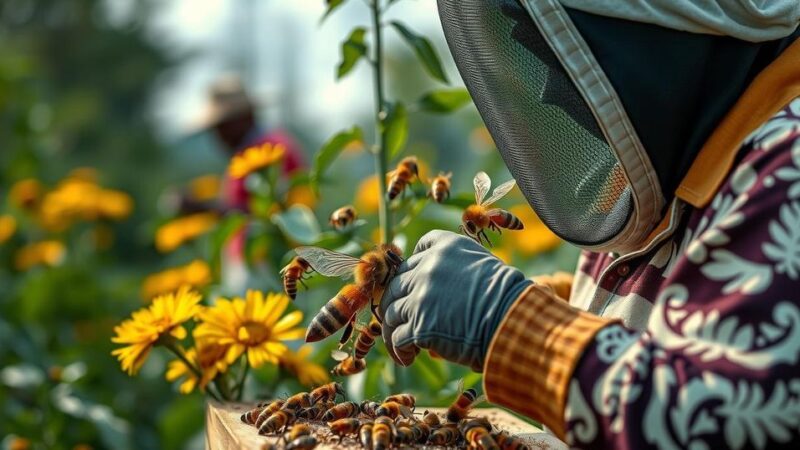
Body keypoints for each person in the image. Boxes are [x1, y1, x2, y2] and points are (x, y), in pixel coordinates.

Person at [380, 1, 800, 448]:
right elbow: (700, 307)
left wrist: (512, 323)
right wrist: (557, 299)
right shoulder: (663, 169)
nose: (549, 91)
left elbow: (726, 423)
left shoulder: (788, 166)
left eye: (566, 51)